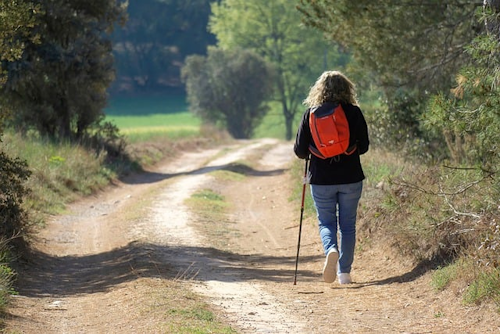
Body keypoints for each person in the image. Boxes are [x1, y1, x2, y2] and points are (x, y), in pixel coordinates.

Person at [293, 70, 369, 284]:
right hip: (351, 177)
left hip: (321, 178)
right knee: (348, 225)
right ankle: (344, 273)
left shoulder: (311, 114)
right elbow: (364, 147)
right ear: (347, 89)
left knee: (326, 222)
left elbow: (299, 151)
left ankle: (331, 250)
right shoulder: (354, 112)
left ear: (319, 89)